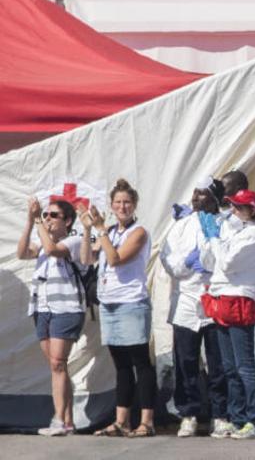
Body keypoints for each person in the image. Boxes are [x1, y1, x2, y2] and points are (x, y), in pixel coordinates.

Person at [80, 179, 156, 438]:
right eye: (118, 203)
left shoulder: (139, 232)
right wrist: (88, 229)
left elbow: (116, 259)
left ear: (134, 205)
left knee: (140, 362)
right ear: (111, 206)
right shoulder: (109, 231)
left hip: (131, 302)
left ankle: (147, 421)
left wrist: (100, 230)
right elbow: (87, 258)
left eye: (127, 202)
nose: (122, 207)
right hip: (110, 303)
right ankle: (121, 420)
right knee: (121, 364)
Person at [159, 177, 231, 438]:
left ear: (214, 198)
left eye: (202, 194)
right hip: (187, 301)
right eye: (195, 193)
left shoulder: (225, 224)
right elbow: (168, 260)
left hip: (216, 298)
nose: (196, 198)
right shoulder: (181, 226)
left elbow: (228, 258)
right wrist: (188, 264)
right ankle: (188, 414)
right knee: (186, 361)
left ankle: (220, 414)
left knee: (218, 362)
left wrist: (211, 262)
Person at [200, 189, 255, 439]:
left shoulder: (254, 236)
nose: (234, 211)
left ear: (252, 210)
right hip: (222, 297)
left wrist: (215, 240)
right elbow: (211, 262)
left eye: (240, 207)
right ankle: (237, 417)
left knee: (245, 366)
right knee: (229, 367)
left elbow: (228, 262)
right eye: (233, 206)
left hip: (241, 298)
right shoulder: (235, 231)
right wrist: (211, 237)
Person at [17, 198, 85, 436]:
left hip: (66, 308)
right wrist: (30, 221)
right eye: (45, 215)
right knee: (57, 366)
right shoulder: (41, 242)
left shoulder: (74, 241)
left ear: (67, 220)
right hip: (42, 307)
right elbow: (22, 252)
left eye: (53, 215)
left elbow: (53, 250)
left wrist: (37, 222)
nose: (47, 219)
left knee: (58, 363)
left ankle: (58, 419)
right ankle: (67, 420)